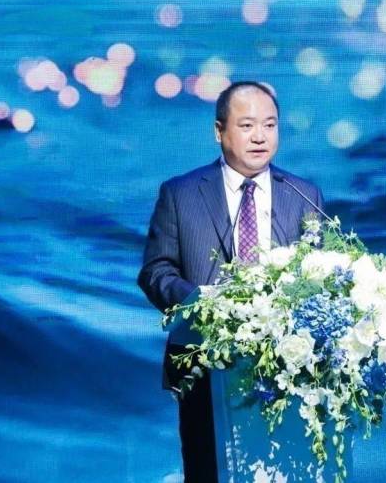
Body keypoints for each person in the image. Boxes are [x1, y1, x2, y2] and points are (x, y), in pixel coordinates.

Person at [137, 81, 324, 482]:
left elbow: (317, 281)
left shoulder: (304, 195)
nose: (260, 136)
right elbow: (156, 271)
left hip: (284, 371)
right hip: (205, 368)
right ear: (219, 131)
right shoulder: (180, 194)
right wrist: (203, 304)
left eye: (270, 125)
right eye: (247, 125)